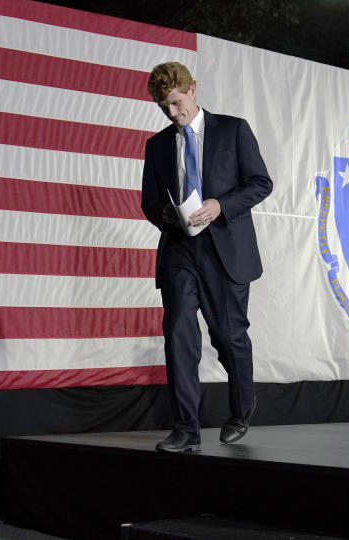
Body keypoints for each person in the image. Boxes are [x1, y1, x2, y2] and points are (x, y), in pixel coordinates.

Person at [140, 62, 273, 453]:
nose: (172, 112)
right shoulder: (157, 145)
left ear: (192, 89)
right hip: (180, 250)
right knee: (179, 335)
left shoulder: (233, 130)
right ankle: (186, 429)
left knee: (228, 337)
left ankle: (241, 408)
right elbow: (148, 202)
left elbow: (261, 183)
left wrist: (220, 204)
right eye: (164, 106)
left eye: (177, 102)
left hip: (225, 251)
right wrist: (166, 216)